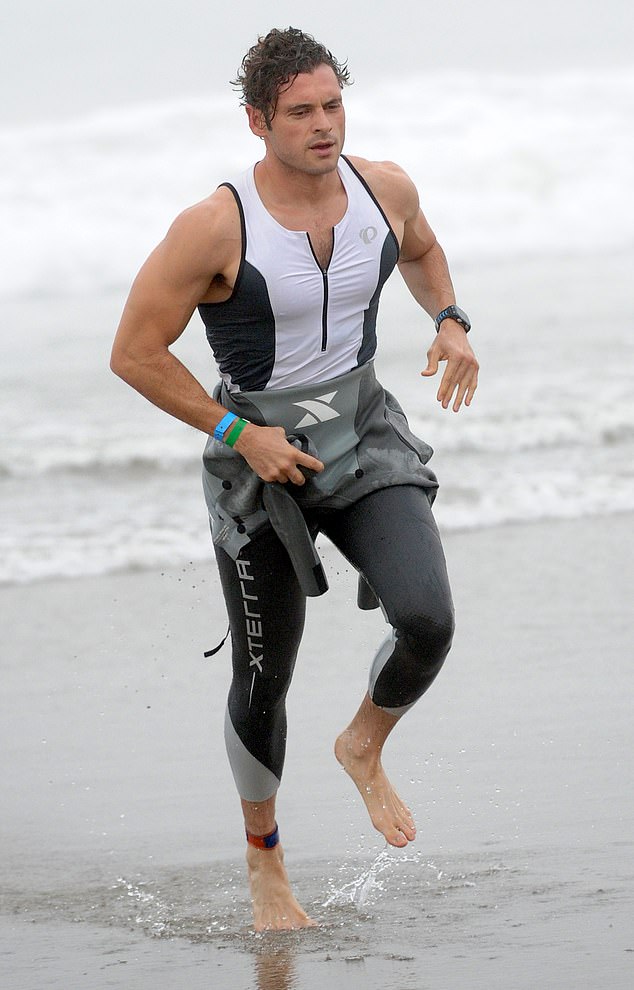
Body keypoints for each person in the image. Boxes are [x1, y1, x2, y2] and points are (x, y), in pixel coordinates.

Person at [110, 26, 479, 932]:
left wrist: (452, 318)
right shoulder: (215, 225)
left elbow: (424, 250)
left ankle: (363, 743)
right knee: (265, 672)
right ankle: (266, 862)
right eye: (302, 112)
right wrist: (240, 431)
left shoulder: (383, 188)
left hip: (364, 436)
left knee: (427, 618)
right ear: (257, 121)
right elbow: (134, 354)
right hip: (257, 466)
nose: (324, 126)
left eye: (333, 105)